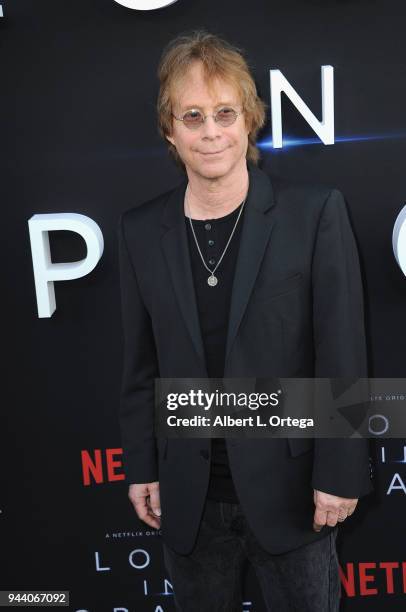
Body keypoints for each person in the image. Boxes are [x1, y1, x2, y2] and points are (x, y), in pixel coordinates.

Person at [117, 30, 373, 611]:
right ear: (170, 130)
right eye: (193, 116)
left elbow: (344, 352)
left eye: (225, 113)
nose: (211, 132)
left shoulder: (314, 213)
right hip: (190, 500)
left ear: (250, 120)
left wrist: (341, 471)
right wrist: (142, 466)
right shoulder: (140, 230)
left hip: (295, 493)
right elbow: (139, 365)